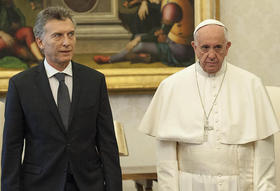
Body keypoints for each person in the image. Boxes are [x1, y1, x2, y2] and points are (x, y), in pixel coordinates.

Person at [138, 19, 280, 190]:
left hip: (240, 185)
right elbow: (166, 158)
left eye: (218, 47)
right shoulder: (172, 87)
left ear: (227, 47)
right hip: (190, 185)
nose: (211, 55)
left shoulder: (251, 84)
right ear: (194, 47)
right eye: (205, 47)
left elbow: (264, 155)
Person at [1, 6, 122, 191]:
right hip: (40, 184)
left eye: (71, 34)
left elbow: (107, 143)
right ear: (40, 42)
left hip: (88, 183)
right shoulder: (21, 85)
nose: (67, 42)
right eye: (58, 36)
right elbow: (12, 146)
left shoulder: (94, 81)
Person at [94, 0, 194, 67]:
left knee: (140, 44)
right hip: (172, 40)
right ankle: (145, 57)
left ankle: (110, 59)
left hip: (179, 50)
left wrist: (138, 40)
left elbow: (161, 33)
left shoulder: (172, 6)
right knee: (138, 36)